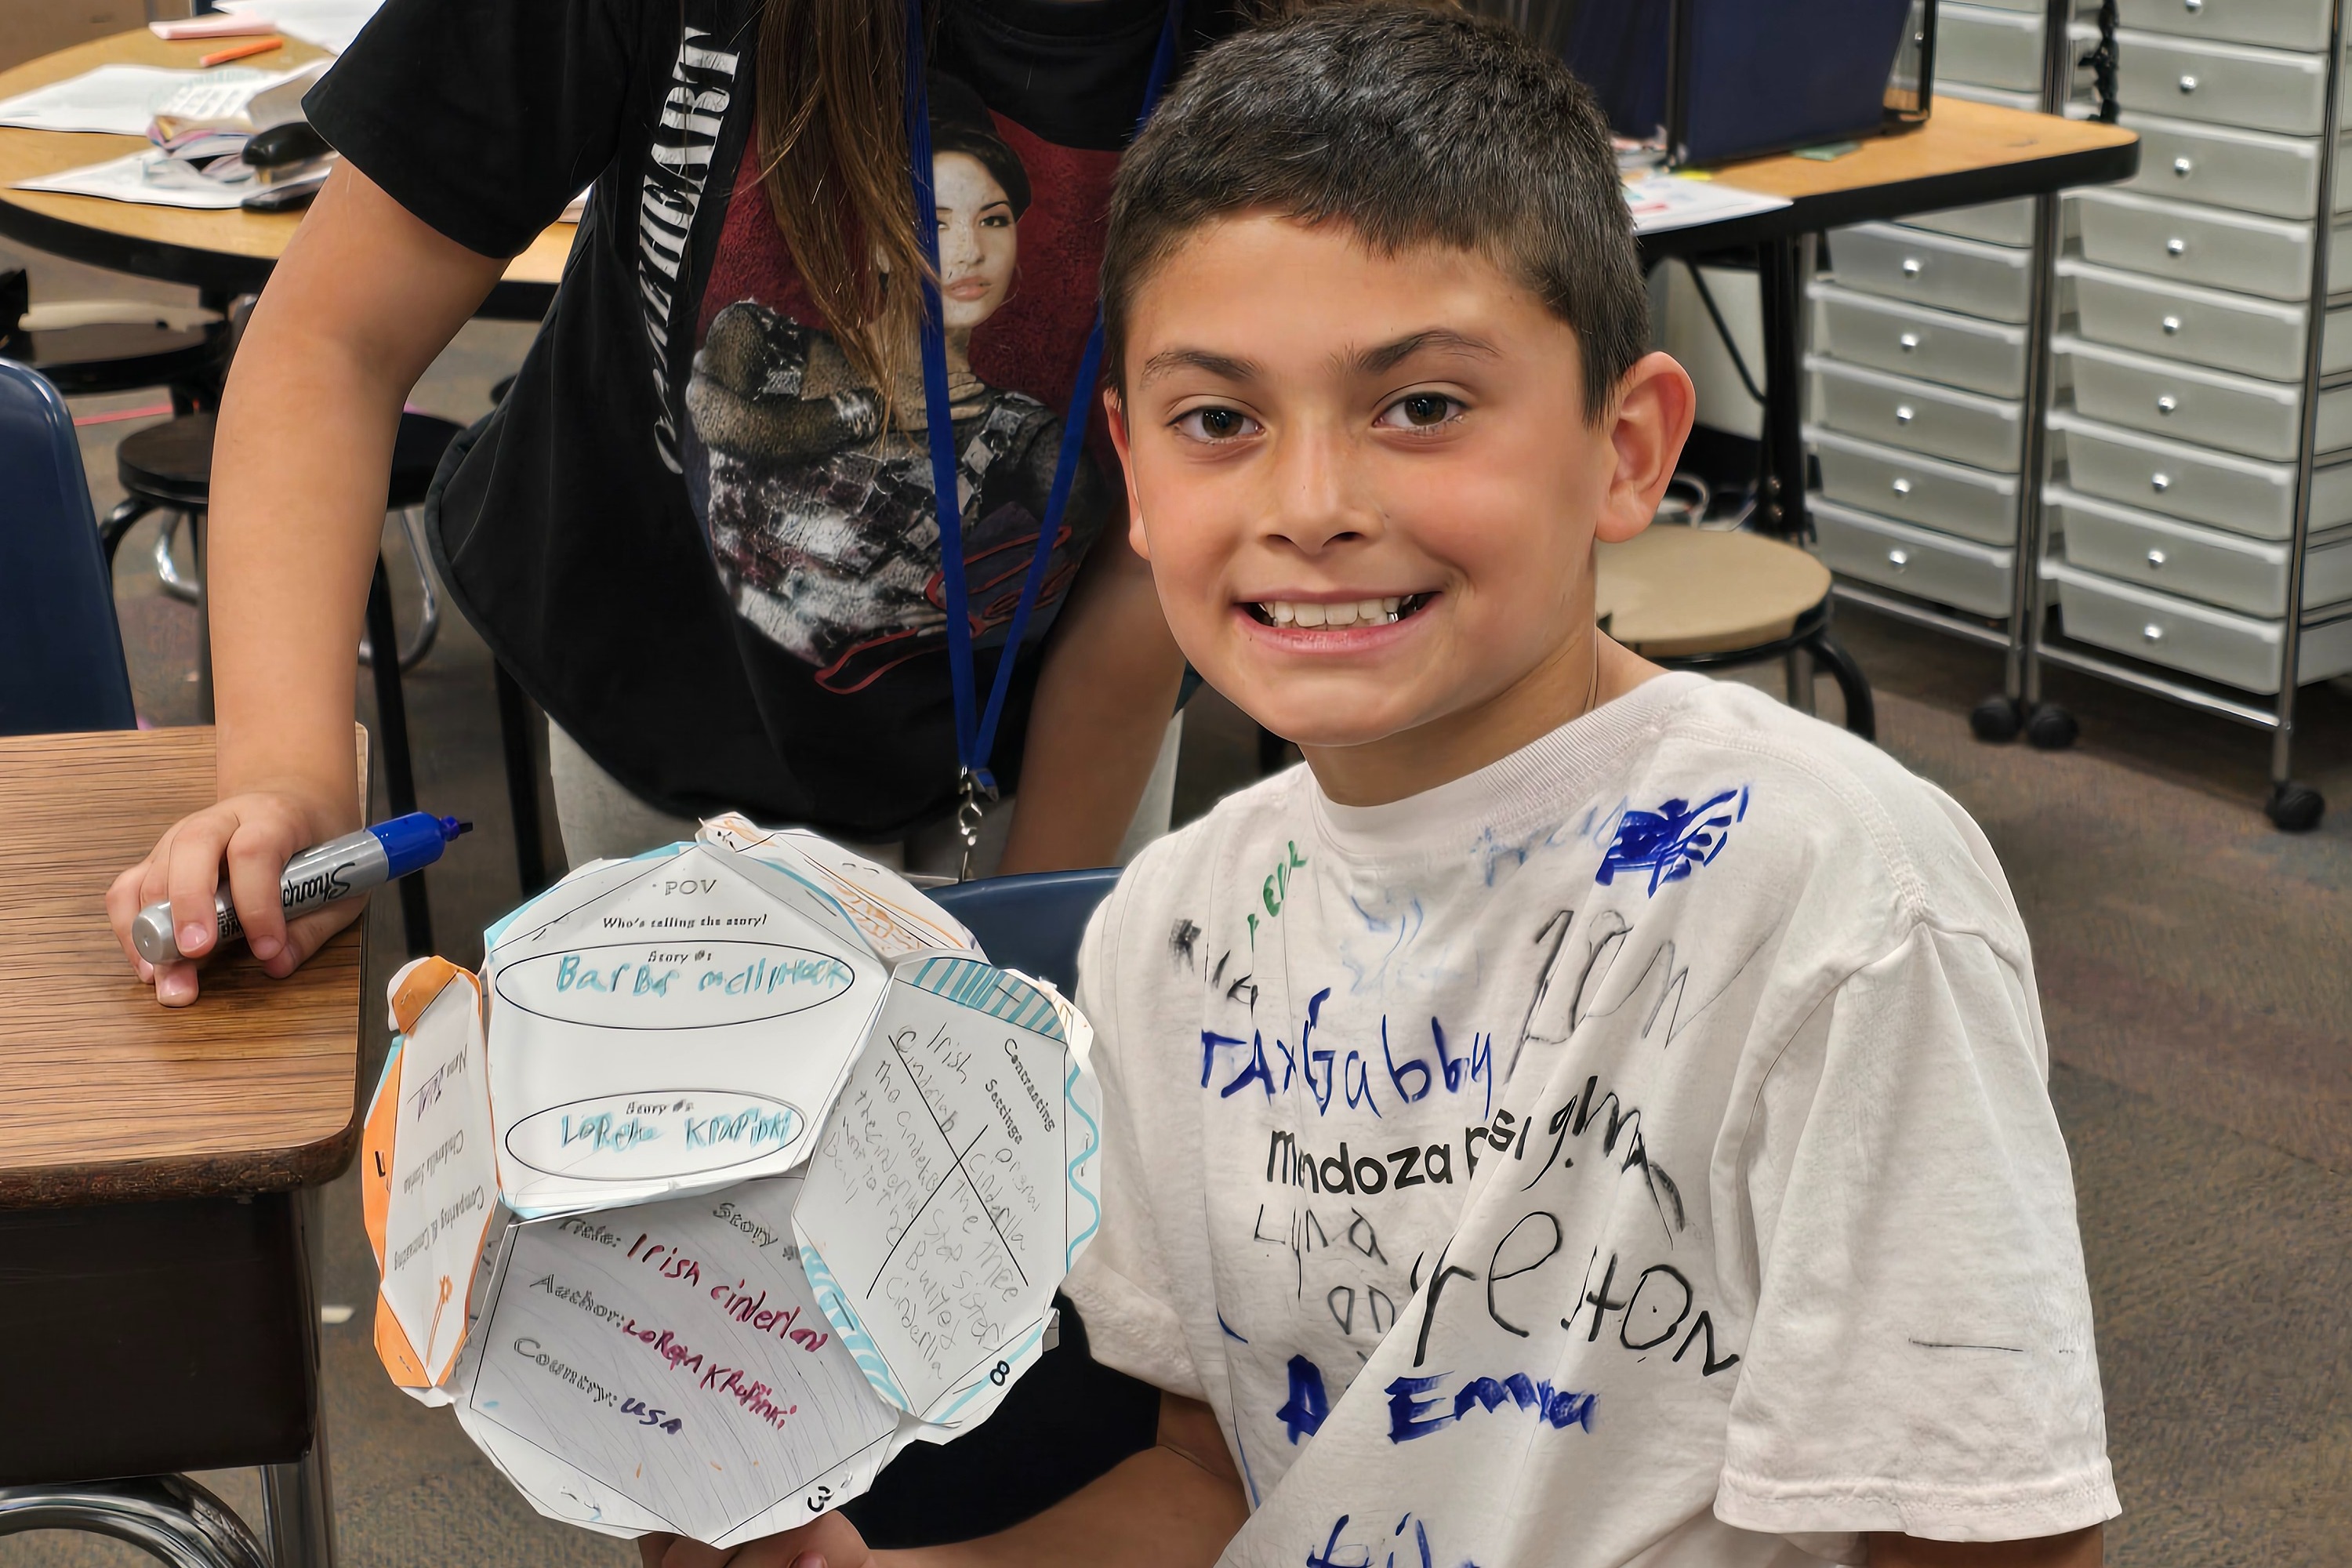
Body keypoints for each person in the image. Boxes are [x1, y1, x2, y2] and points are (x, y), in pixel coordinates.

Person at [654, 8, 2118, 1568]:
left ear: (1626, 451)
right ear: (1134, 477)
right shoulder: (1177, 927)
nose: (1313, 506)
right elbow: (1222, 1485)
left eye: (1421, 405)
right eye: (1220, 420)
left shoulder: (1838, 897)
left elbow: (1986, 1542)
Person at [107, 0, 1236, 1004]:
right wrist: (287, 781)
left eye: (991, 224)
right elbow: (330, 340)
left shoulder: (1258, 39)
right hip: (673, 705)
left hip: (1070, 717)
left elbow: (1164, 522)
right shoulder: (776, 344)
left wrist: (1028, 955)